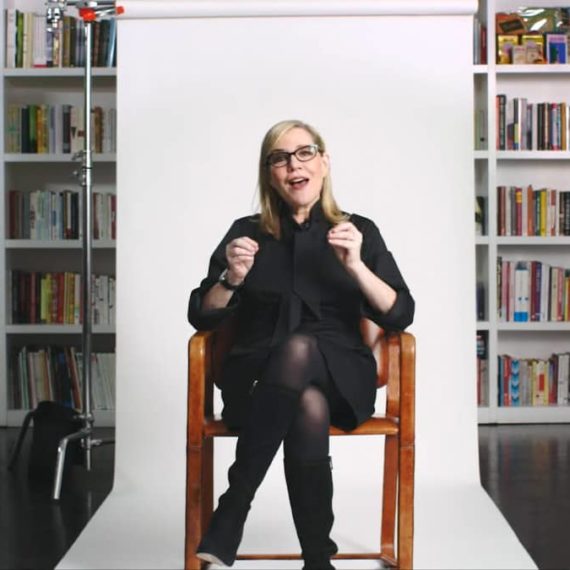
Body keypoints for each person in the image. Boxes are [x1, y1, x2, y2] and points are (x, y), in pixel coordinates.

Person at [187, 119, 414, 569]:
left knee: (301, 352)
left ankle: (233, 508)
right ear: (269, 173)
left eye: (305, 153)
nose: (294, 164)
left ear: (324, 163)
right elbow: (201, 312)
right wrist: (231, 279)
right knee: (306, 399)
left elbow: (400, 314)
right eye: (280, 157)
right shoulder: (247, 232)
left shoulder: (358, 230)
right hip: (256, 382)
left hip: (341, 377)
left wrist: (356, 267)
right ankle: (317, 559)